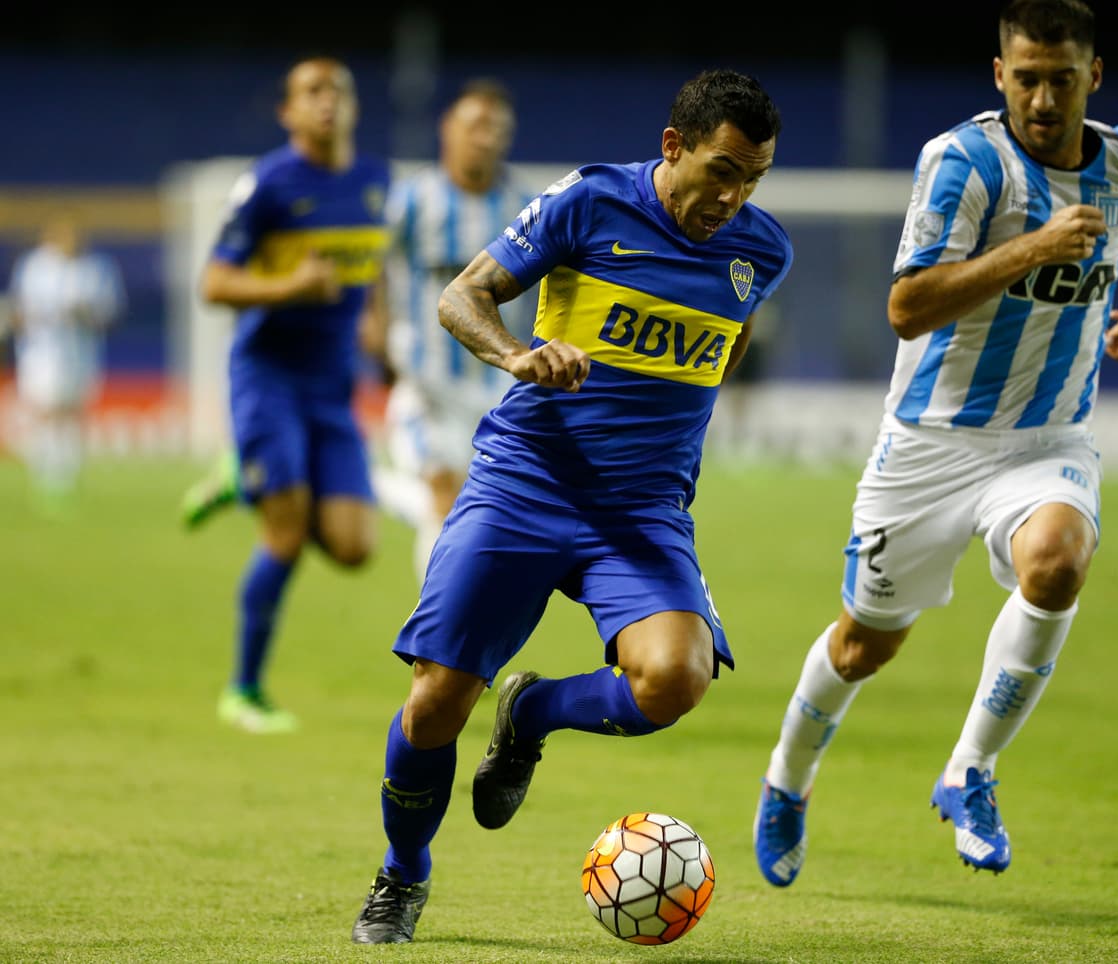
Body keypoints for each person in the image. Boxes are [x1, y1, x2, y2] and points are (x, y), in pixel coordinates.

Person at [349, 67, 792, 944]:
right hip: (528, 482)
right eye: (721, 171)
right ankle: (403, 874)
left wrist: (666, 440)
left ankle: (533, 714)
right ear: (675, 149)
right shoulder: (589, 202)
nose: (733, 197)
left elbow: (723, 351)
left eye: (753, 179)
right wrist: (519, 357)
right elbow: (459, 297)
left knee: (675, 679)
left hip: (641, 510)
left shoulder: (761, 252)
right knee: (436, 701)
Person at [753, 0, 1118, 885]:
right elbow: (906, 308)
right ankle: (787, 780)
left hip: (1048, 438)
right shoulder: (964, 162)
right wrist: (1031, 249)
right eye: (1027, 77)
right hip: (929, 447)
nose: (1044, 98)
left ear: (1093, 78)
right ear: (999, 75)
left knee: (1058, 562)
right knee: (865, 644)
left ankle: (970, 770)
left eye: (1063, 79)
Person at [193, 56, 391, 733]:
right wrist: (287, 288)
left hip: (332, 388)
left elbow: (375, 266)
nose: (327, 101)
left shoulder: (374, 181)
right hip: (268, 377)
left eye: (339, 88)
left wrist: (378, 327)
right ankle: (243, 690)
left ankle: (244, 478)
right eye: (311, 91)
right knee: (284, 531)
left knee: (355, 546)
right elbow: (213, 285)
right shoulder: (269, 185)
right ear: (288, 111)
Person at [364, 77, 539, 584]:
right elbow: (372, 263)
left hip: (497, 386)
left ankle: (374, 485)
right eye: (475, 125)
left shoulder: (527, 206)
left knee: (481, 515)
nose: (485, 137)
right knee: (443, 496)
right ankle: (434, 640)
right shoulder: (413, 199)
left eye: (497, 129)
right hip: (426, 381)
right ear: (449, 130)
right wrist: (374, 326)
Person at [6, 213, 125, 514]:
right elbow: (17, 312)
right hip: (41, 354)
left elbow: (111, 314)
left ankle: (66, 475)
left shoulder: (96, 268)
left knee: (72, 412)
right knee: (46, 409)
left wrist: (85, 314)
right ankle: (46, 473)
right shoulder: (34, 267)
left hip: (81, 353)